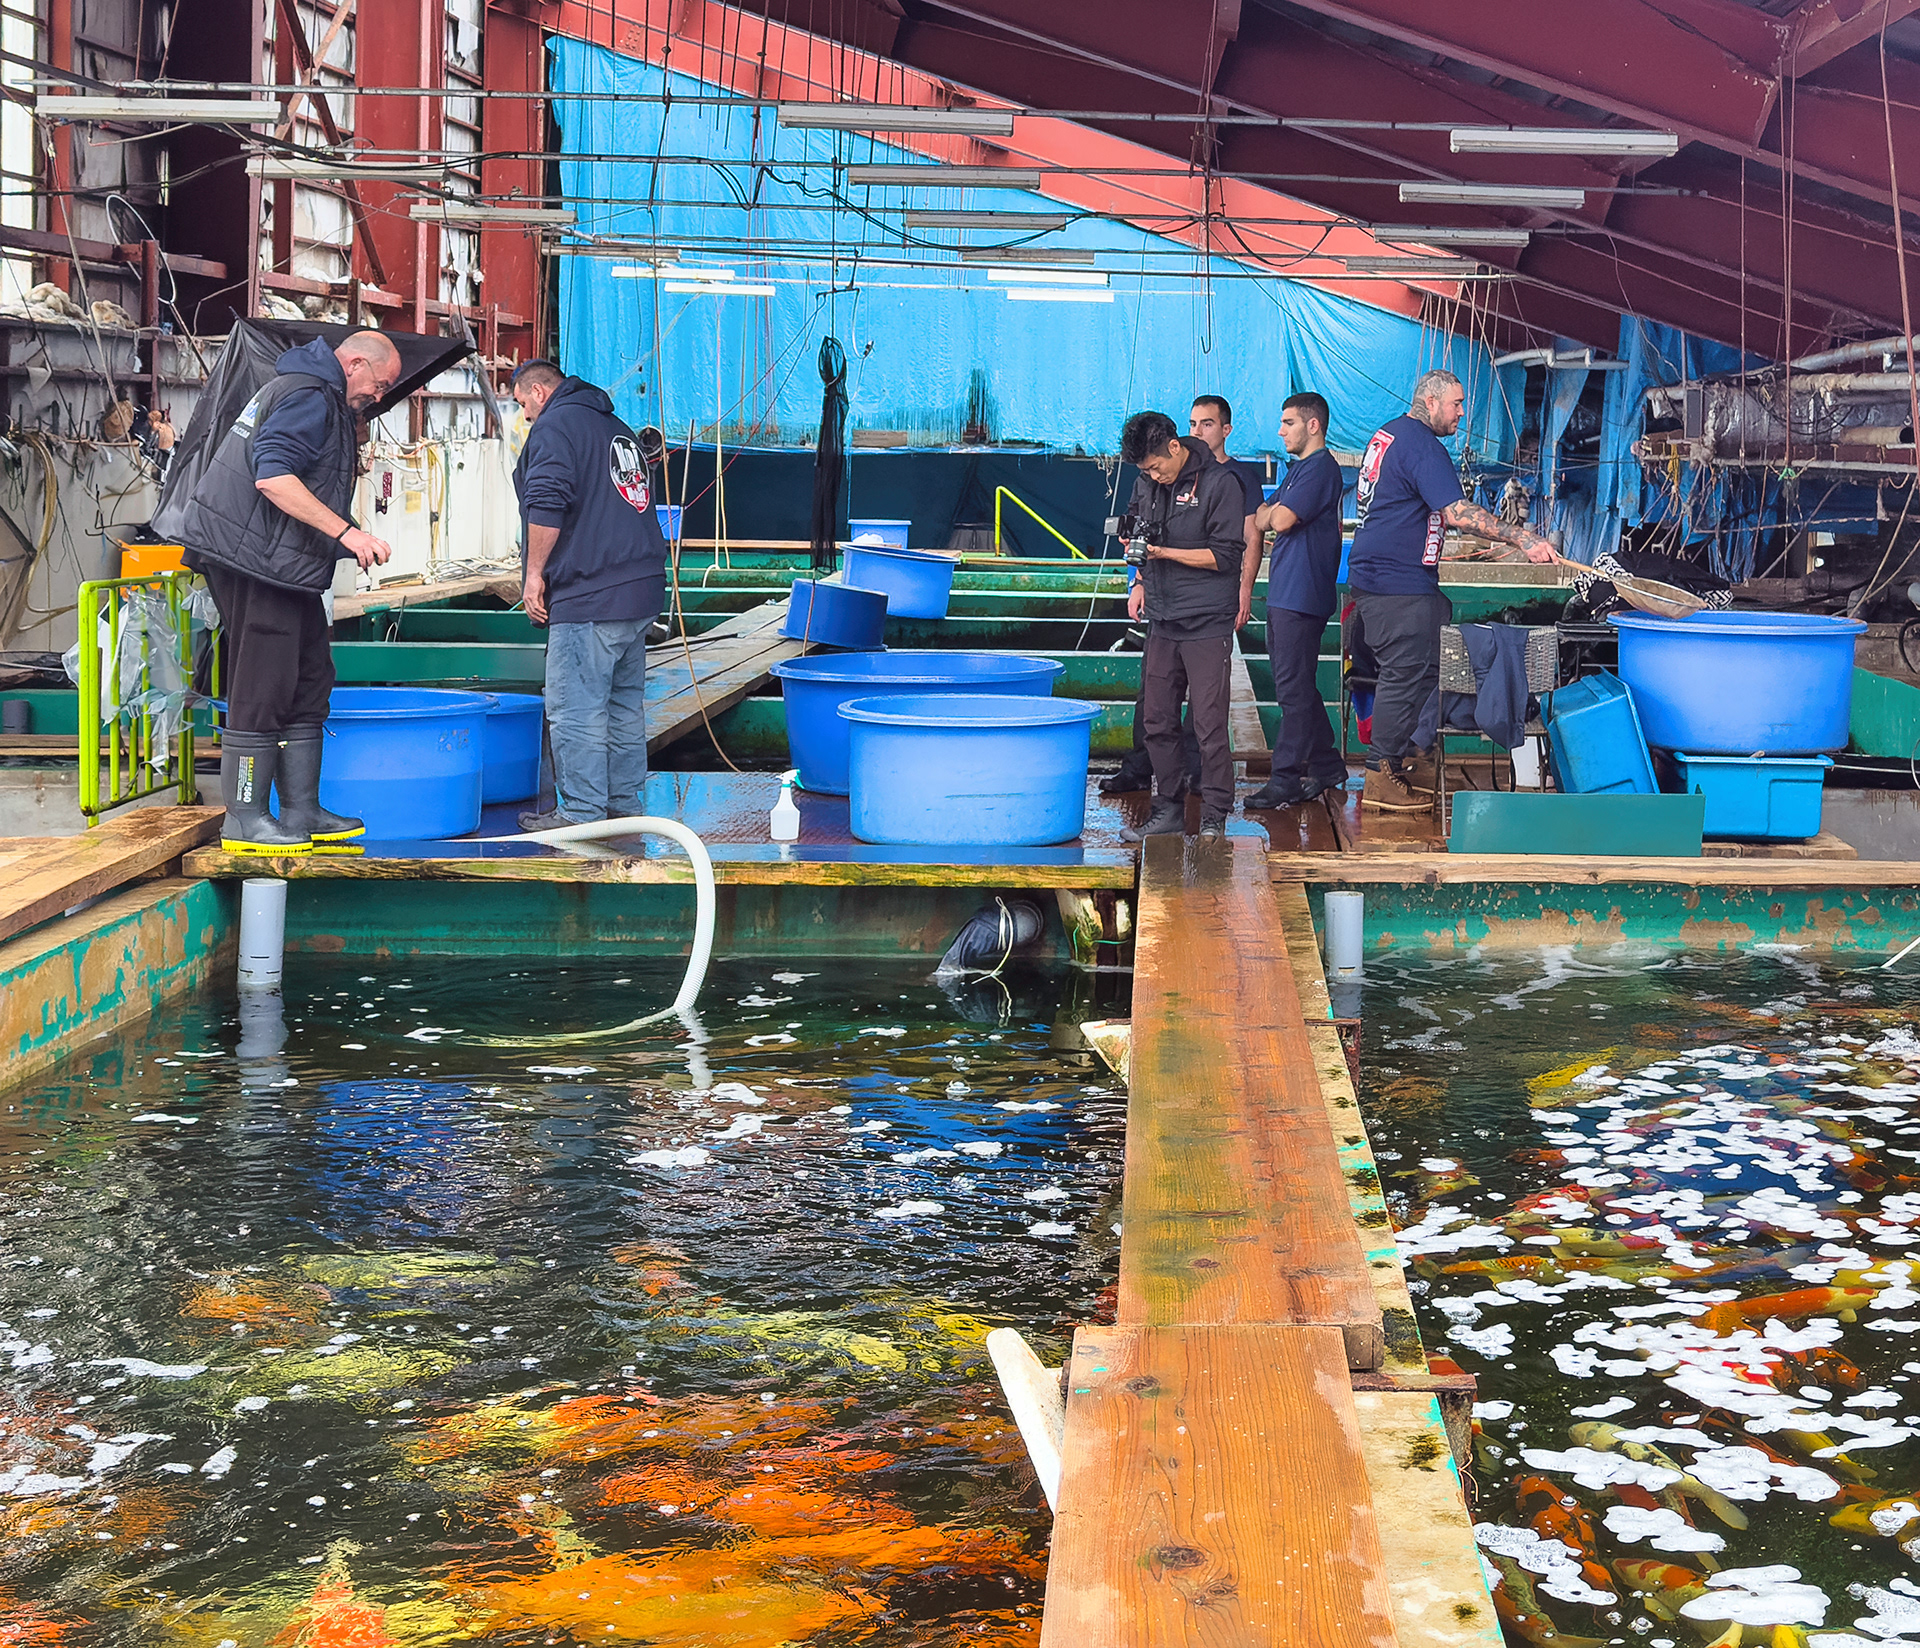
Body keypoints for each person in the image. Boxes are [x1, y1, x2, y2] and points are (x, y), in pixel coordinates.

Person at [177, 329, 402, 855]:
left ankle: (302, 808)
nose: (379, 396)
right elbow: (273, 478)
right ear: (354, 364)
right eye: (380, 384)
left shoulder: (323, 397)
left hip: (285, 564)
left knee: (309, 676)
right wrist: (347, 533)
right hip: (253, 561)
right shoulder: (308, 394)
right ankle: (245, 817)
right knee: (264, 683)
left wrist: (342, 537)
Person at [1346, 369, 1553, 814]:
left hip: (1384, 580)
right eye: (1456, 404)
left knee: (1422, 670)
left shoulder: (1389, 435)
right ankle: (1380, 772)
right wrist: (1524, 539)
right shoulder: (1423, 445)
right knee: (1404, 674)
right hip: (1396, 584)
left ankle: (1407, 758)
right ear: (1431, 400)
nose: (1462, 413)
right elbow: (1457, 512)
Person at [509, 359, 669, 832]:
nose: (524, 417)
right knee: (622, 708)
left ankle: (579, 814)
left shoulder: (557, 426)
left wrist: (534, 574)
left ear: (539, 392)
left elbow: (547, 500)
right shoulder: (614, 425)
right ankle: (622, 807)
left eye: (522, 404)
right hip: (640, 591)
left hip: (591, 592)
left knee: (575, 710)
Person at [1096, 394, 1253, 797]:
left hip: (1205, 618)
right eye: (1144, 470)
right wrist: (1139, 578)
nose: (1152, 474)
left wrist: (1163, 553)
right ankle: (1167, 806)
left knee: (1208, 723)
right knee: (1156, 719)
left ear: (1174, 446)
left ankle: (1214, 813)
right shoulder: (1147, 483)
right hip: (1162, 617)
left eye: (1155, 466)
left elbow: (1226, 556)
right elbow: (1137, 532)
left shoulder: (1222, 483)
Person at [1243, 392, 1347, 810]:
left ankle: (1285, 776)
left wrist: (1272, 515)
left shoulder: (1320, 469)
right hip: (1289, 590)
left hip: (1302, 594)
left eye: (1288, 423)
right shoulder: (1298, 471)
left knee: (1291, 690)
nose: (1281, 430)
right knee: (1298, 685)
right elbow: (1259, 517)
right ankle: (1326, 764)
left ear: (1313, 425)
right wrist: (1270, 514)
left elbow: (1276, 519)